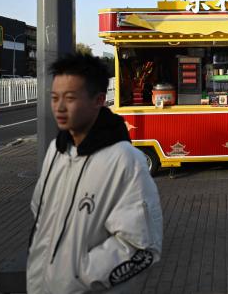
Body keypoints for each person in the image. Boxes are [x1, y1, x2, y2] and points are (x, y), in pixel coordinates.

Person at [27, 53, 163, 293]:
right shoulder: (56, 151)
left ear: (99, 100)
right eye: (55, 97)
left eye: (69, 98)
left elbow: (141, 247)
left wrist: (76, 276)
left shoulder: (125, 160)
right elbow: (40, 214)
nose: (59, 107)